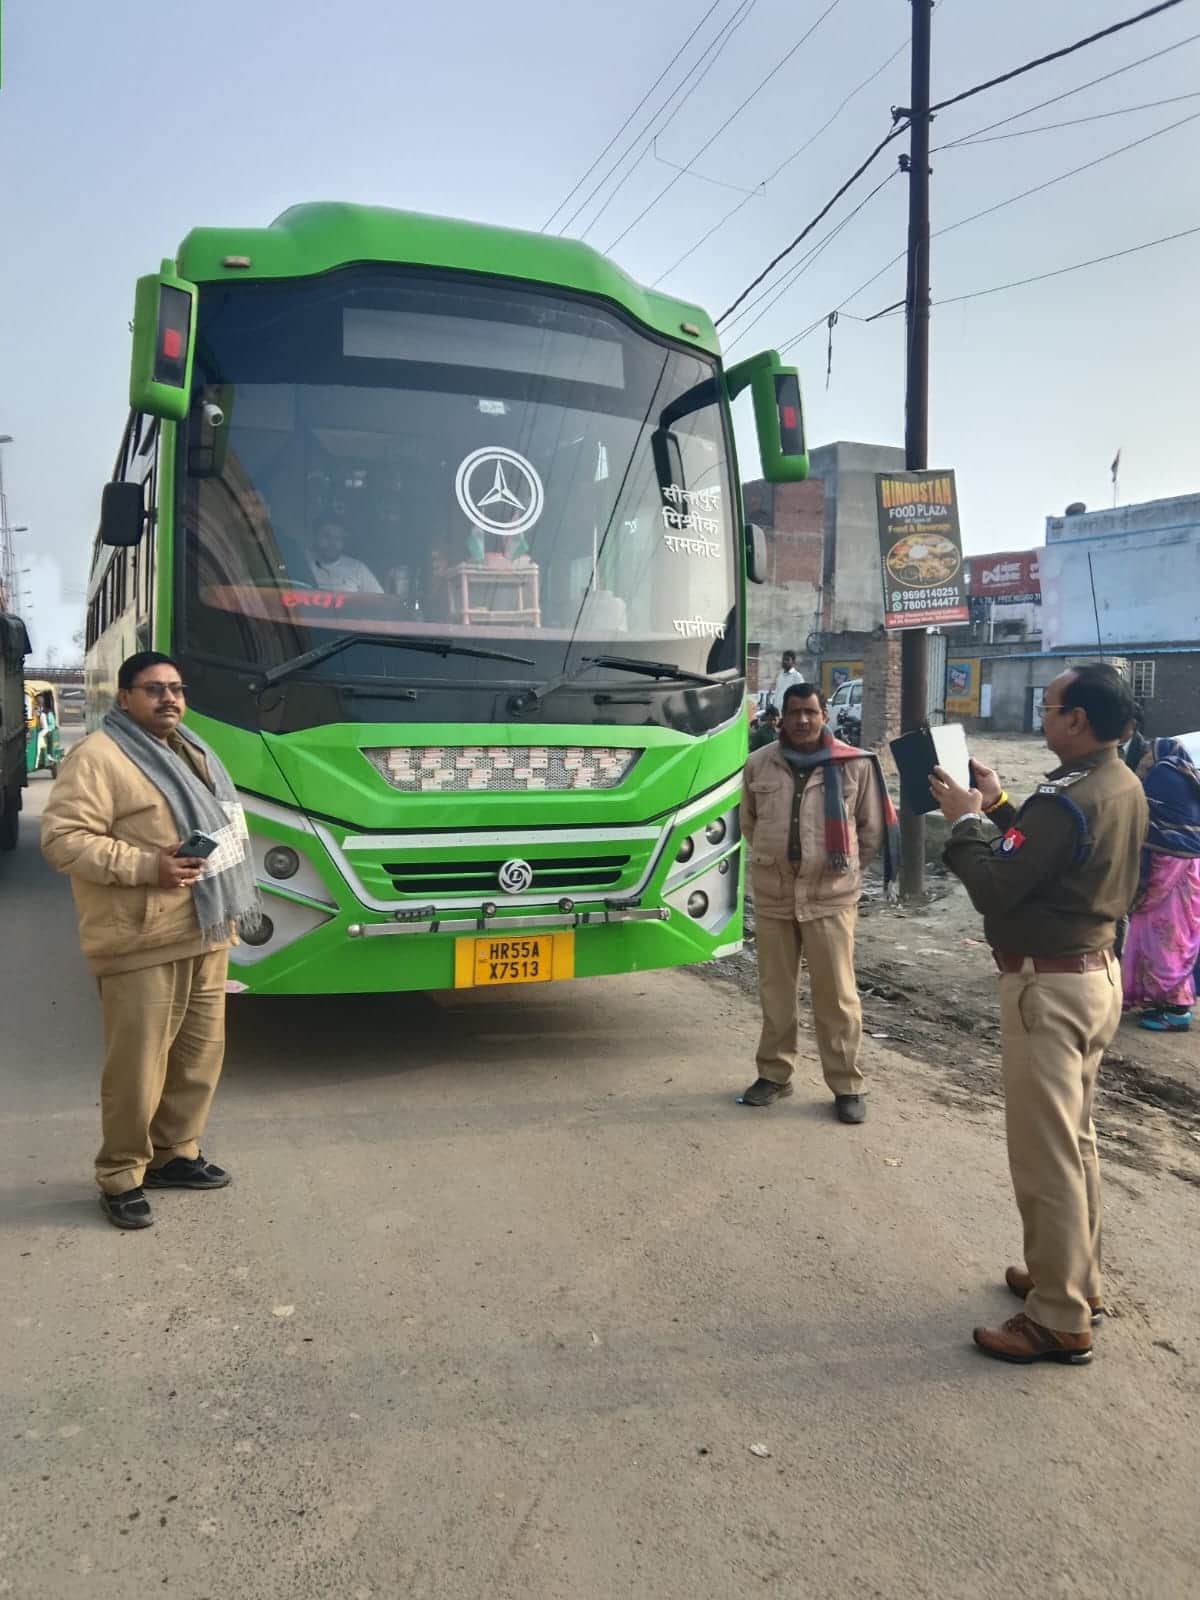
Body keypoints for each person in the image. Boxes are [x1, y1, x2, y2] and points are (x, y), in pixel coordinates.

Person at [931, 664, 1147, 1366]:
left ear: (1077, 720)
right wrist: (997, 808)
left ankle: (1057, 1315)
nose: (1043, 716)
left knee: (1045, 1155)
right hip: (1093, 978)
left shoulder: (1066, 800)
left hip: (1048, 991)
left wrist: (964, 822)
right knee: (1074, 1141)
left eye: (1050, 707)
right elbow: (1048, 859)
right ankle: (1074, 1279)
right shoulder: (1117, 784)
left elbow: (998, 886)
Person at [41, 652, 262, 1230]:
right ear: (124, 698)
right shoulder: (99, 758)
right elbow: (63, 840)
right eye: (154, 689)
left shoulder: (191, 751)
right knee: (137, 1069)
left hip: (205, 930)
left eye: (176, 688)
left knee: (197, 1059)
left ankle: (174, 1155)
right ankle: (120, 1175)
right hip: (140, 939)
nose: (169, 698)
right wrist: (146, 866)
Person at [740, 683, 899, 1121]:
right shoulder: (758, 764)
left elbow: (869, 832)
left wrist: (839, 869)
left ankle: (847, 1084)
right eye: (794, 712)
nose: (803, 720)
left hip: (831, 897)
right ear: (781, 718)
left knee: (838, 996)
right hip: (774, 895)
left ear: (824, 715)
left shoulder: (854, 765)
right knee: (776, 993)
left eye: (811, 711)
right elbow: (749, 823)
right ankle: (774, 1074)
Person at [1121, 737, 1200, 1031]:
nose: (1141, 764)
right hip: (1187, 871)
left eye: (1143, 759)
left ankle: (1177, 1010)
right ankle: (1160, 1003)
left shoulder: (1163, 775)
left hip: (1167, 871)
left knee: (1163, 942)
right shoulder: (1184, 773)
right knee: (1174, 939)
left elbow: (1145, 821)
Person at [306, 520, 383, 593]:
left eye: (338, 538)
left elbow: (380, 601)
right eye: (327, 536)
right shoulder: (303, 566)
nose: (332, 543)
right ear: (315, 537)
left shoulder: (358, 568)